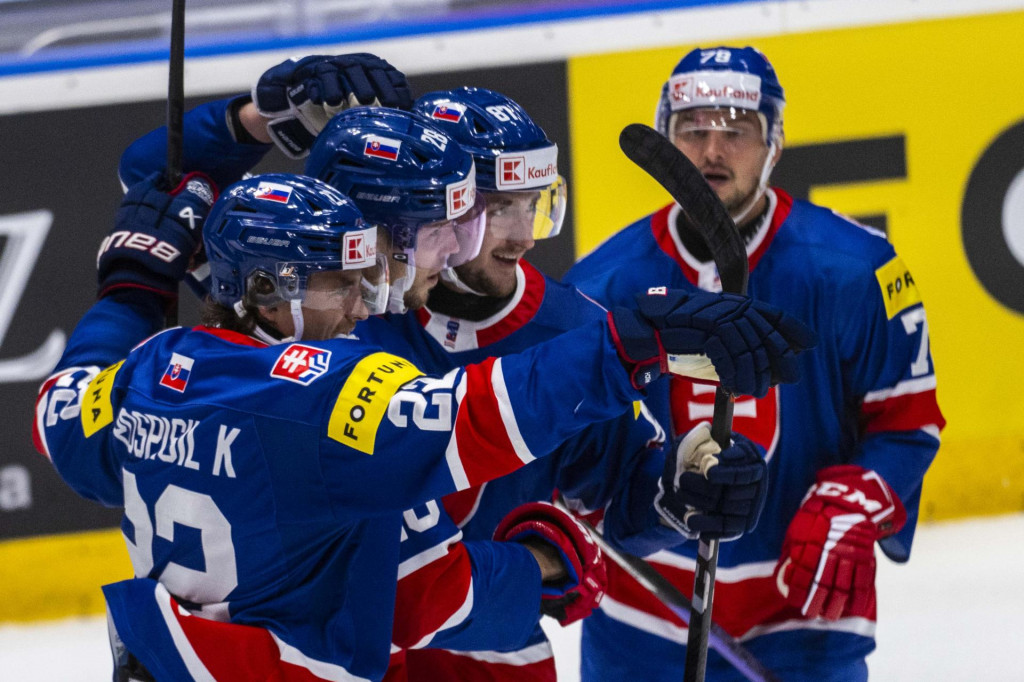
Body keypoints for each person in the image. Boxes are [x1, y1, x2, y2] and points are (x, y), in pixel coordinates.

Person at [35, 167, 812, 681]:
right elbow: (470, 420)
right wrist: (632, 341)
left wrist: (130, 286)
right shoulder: (311, 395)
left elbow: (59, 408)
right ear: (268, 289)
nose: (363, 305)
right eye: (340, 282)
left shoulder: (148, 370)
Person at [565, 45, 945, 681]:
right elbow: (573, 460)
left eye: (736, 130)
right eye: (694, 129)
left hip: (806, 613)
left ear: (775, 143)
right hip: (641, 622)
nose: (713, 151)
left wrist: (855, 499)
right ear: (665, 140)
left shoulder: (857, 270)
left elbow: (907, 422)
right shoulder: (601, 284)